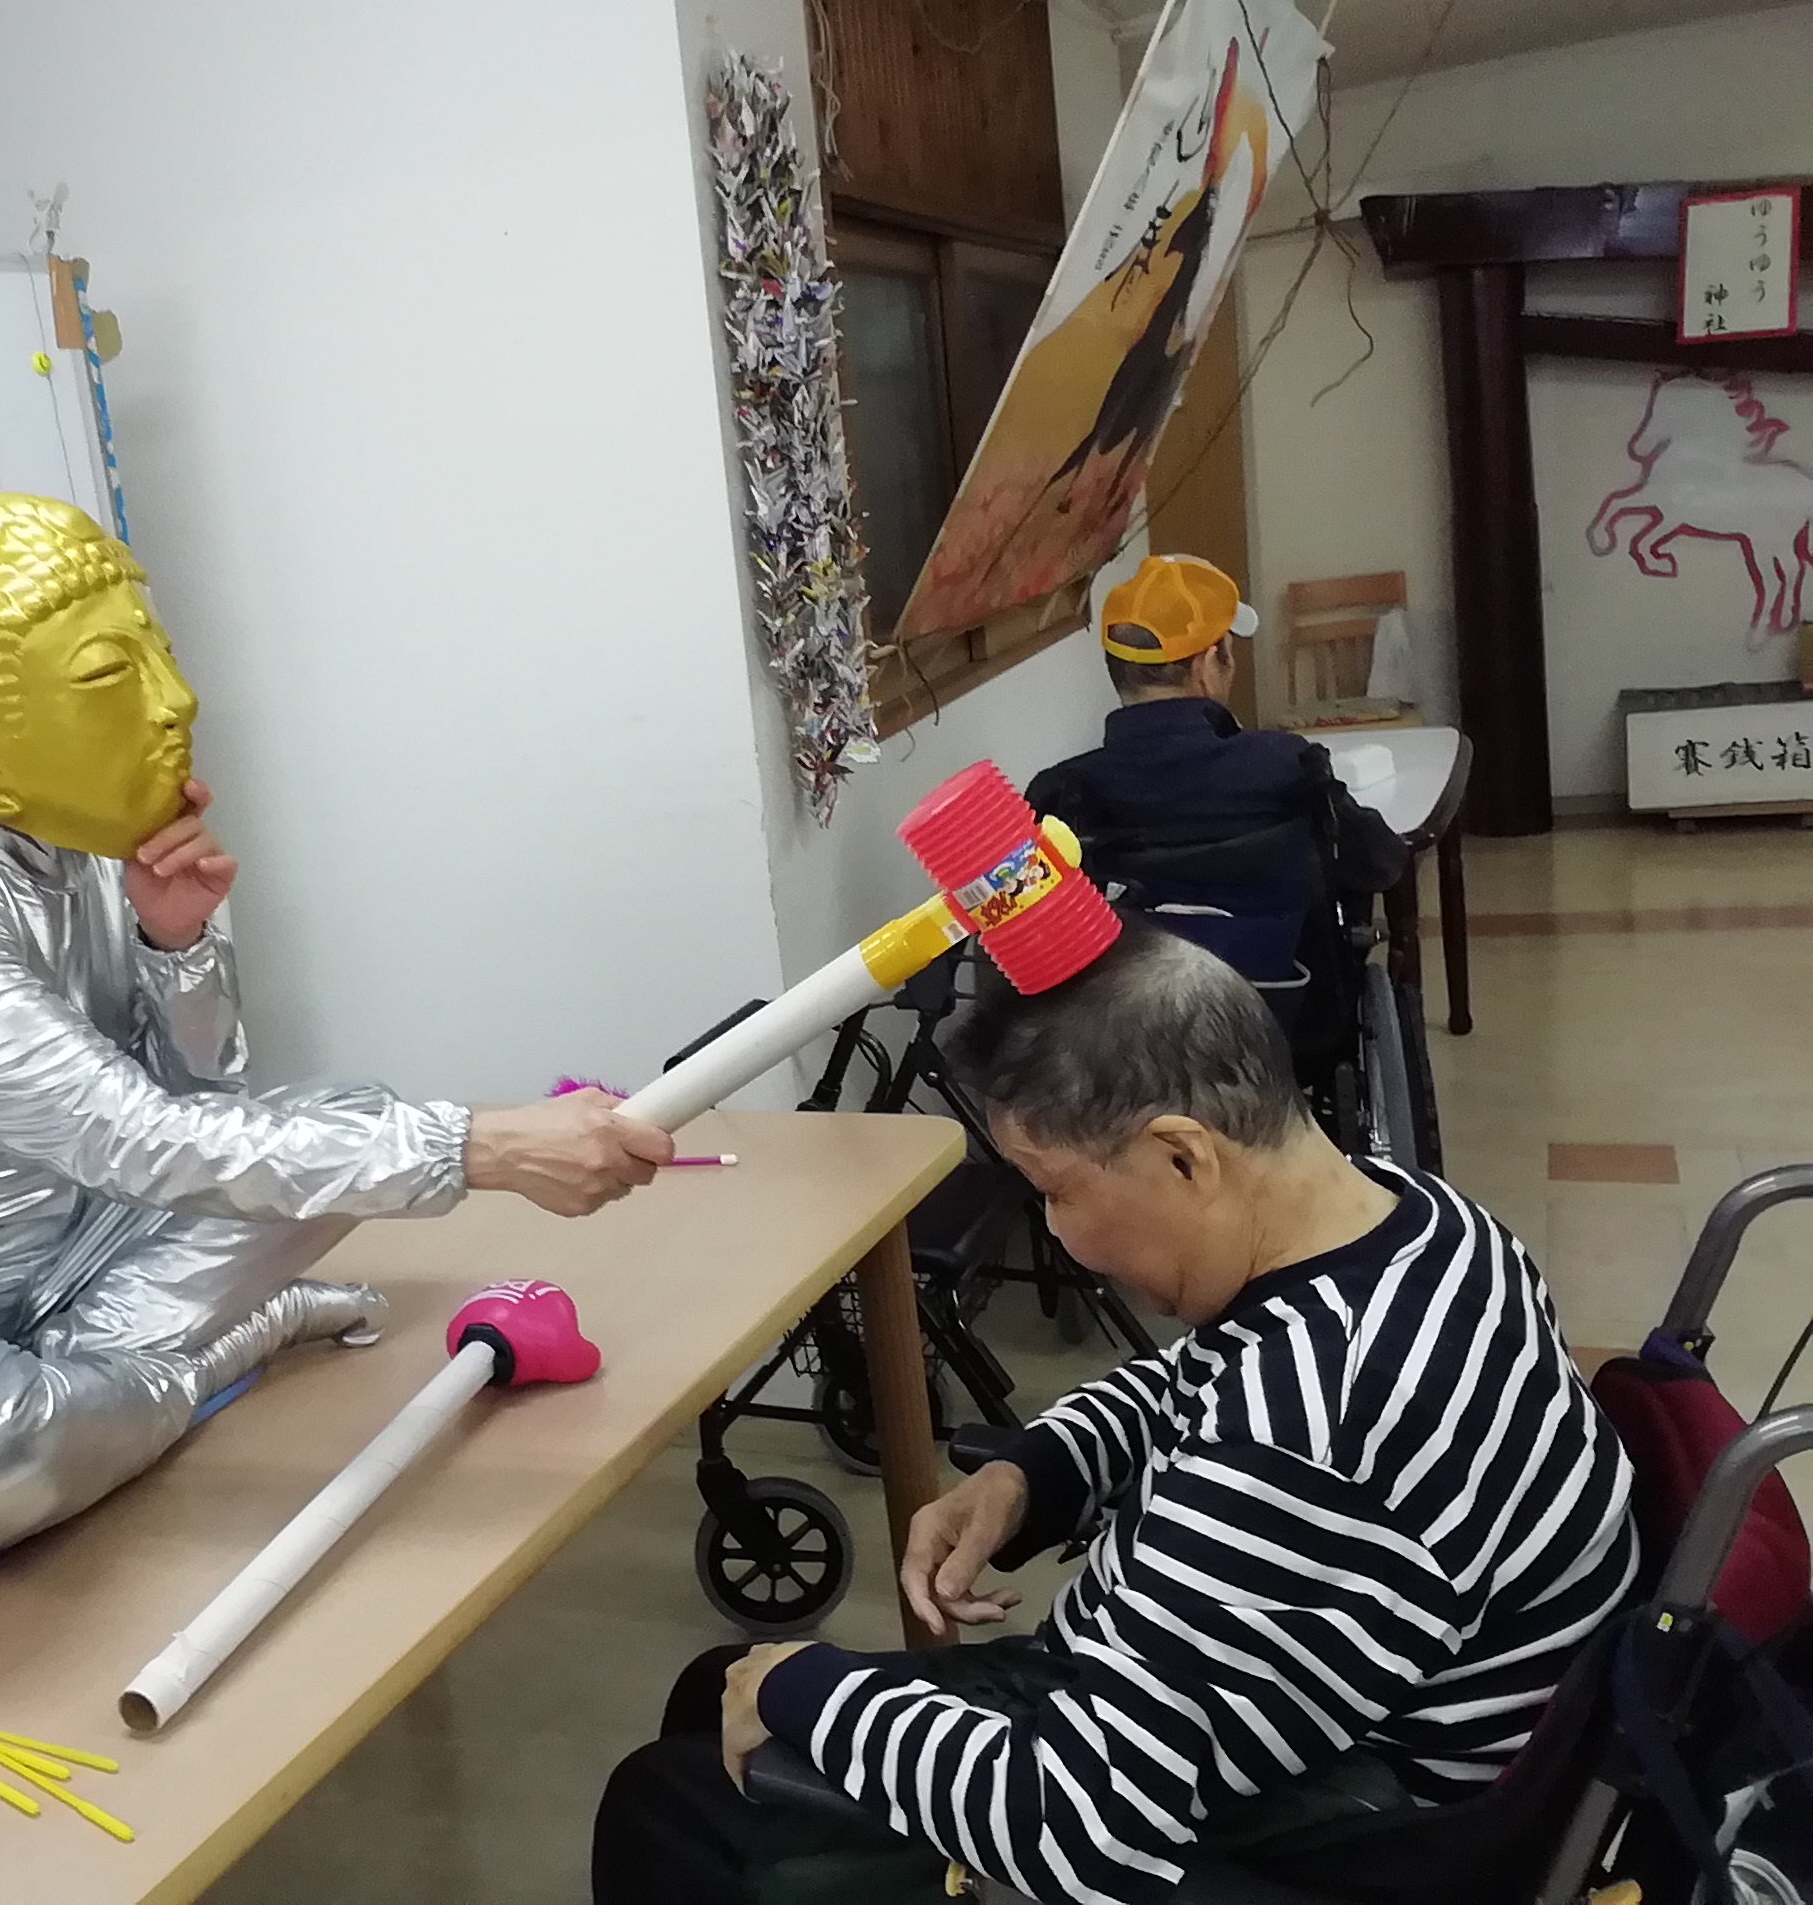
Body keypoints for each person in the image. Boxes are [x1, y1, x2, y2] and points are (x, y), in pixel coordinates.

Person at [0, 493, 672, 1577]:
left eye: (161, 655)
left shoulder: (71, 834)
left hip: (63, 1252)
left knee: (347, 1119)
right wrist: (485, 1146)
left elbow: (202, 1101)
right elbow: (144, 1141)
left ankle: (95, 1390)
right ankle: (211, 1353)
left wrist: (170, 942)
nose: (175, 701)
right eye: (110, 676)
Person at [593, 924, 1635, 1905]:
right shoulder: (1428, 1227)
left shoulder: (1298, 1444)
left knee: (669, 1801)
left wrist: (808, 1694)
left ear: (1184, 1156)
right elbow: (1194, 1381)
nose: (1056, 1236)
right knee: (723, 1694)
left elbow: (1082, 1820)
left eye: (1054, 1191)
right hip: (1319, 1720)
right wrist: (1033, 1476)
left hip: (1323, 1833)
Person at [1025, 556, 1405, 1008]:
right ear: (1206, 667)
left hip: (1122, 1021)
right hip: (1283, 1018)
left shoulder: (1062, 790)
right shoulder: (1285, 763)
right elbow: (1380, 862)